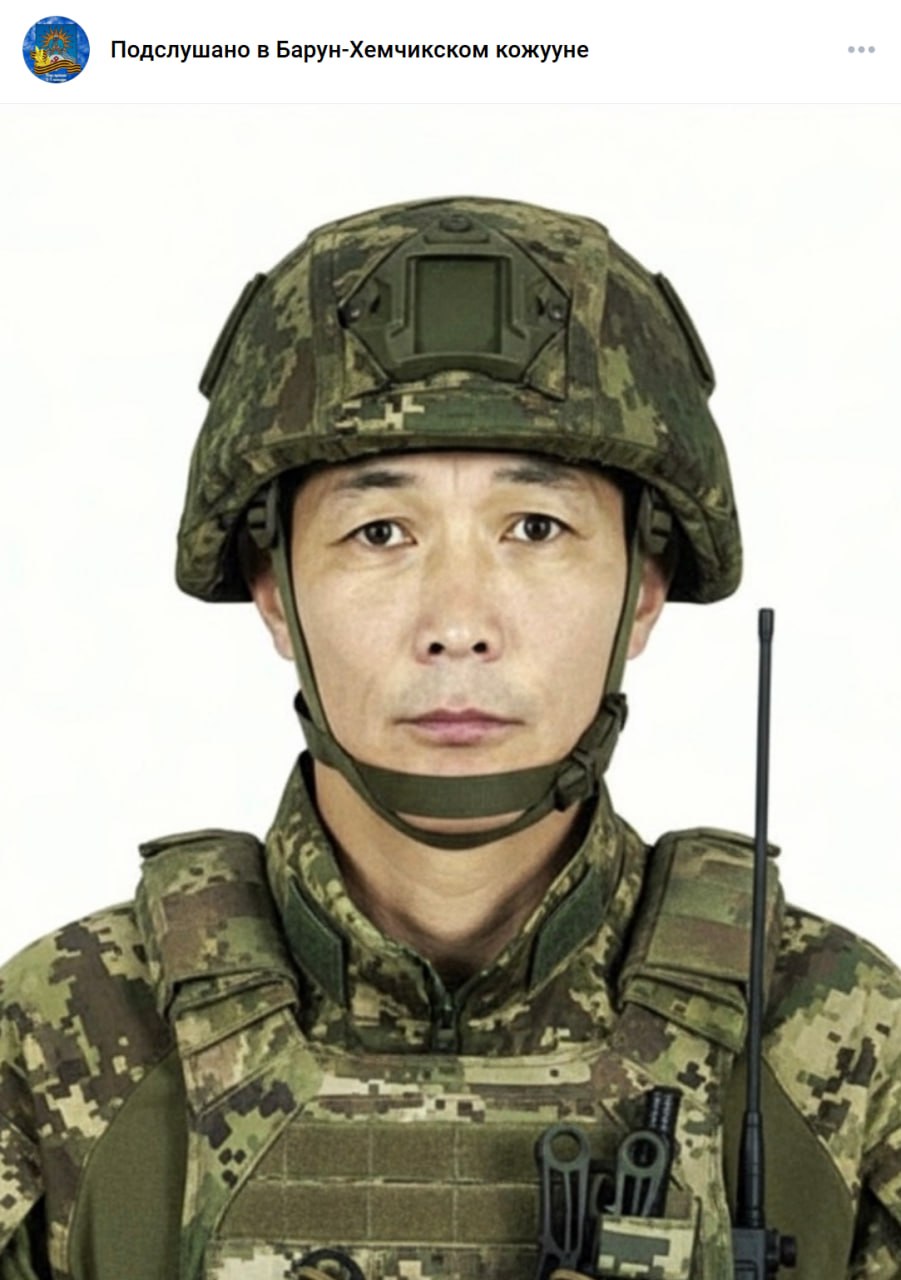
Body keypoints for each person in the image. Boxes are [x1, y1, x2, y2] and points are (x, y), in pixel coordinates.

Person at [1, 197, 899, 1280]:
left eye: (536, 528)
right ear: (275, 593)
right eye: (380, 531)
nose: (459, 622)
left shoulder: (836, 1039)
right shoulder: (65, 1033)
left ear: (644, 587)